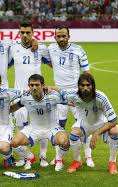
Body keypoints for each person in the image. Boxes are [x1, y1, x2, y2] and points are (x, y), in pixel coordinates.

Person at [47, 26, 94, 167]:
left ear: (69, 36)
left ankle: (88, 156)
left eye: (64, 36)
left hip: (76, 94)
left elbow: (87, 73)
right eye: (58, 36)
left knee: (84, 125)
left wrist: (87, 93)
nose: (61, 39)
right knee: (58, 125)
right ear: (55, 37)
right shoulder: (50, 49)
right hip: (59, 94)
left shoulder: (78, 50)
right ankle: (58, 157)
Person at [8, 21, 51, 168]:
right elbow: (3, 64)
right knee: (21, 126)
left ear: (33, 34)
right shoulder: (13, 48)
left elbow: (53, 64)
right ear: (19, 33)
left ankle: (43, 156)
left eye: (28, 33)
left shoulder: (41, 48)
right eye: (22, 32)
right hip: (20, 95)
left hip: (39, 95)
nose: (25, 35)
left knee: (42, 125)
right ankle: (25, 156)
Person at [62, 73, 118, 174]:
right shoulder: (72, 95)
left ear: (93, 86)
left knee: (115, 130)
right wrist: (48, 88)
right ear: (78, 86)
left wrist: (97, 133)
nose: (85, 88)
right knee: (74, 133)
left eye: (88, 85)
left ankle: (112, 162)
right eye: (82, 85)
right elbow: (60, 92)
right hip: (84, 123)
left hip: (100, 123)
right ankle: (77, 161)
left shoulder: (101, 97)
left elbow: (114, 120)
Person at [10, 74, 70, 171]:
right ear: (28, 86)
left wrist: (54, 87)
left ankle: (58, 160)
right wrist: (3, 109)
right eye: (31, 85)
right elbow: (14, 108)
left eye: (37, 85)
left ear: (43, 85)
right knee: (14, 143)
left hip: (52, 127)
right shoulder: (25, 98)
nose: (34, 87)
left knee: (65, 143)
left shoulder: (53, 96)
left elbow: (70, 100)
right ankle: (30, 156)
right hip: (33, 128)